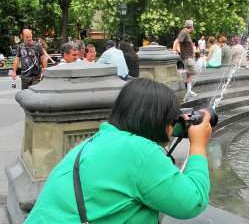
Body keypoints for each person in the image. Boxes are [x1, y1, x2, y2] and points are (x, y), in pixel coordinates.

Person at [24, 78, 212, 224]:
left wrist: (180, 124)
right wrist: (198, 144)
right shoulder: (140, 153)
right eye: (171, 121)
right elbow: (193, 202)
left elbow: (153, 131)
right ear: (158, 122)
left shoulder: (101, 139)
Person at [173, 20, 198, 97]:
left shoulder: (186, 33)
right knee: (194, 71)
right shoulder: (184, 32)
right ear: (192, 27)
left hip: (189, 56)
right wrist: (174, 50)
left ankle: (189, 91)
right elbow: (176, 41)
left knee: (189, 74)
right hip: (187, 58)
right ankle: (179, 72)